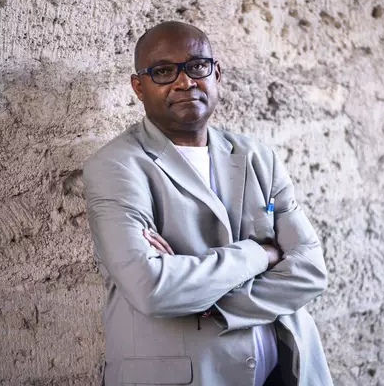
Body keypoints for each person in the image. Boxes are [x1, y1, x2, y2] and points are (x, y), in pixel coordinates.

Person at [82, 21, 333, 386]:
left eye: (197, 66)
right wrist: (261, 255)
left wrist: (210, 299)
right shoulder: (117, 166)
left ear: (216, 73)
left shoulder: (257, 157)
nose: (184, 82)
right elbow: (153, 288)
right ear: (139, 87)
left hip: (286, 372)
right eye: (163, 71)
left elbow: (310, 271)